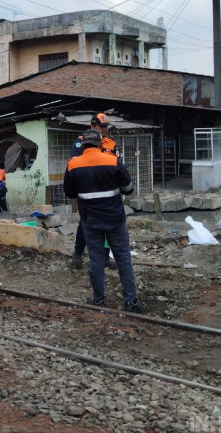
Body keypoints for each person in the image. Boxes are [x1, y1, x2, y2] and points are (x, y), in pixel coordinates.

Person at [64, 129, 141, 312]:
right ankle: (131, 302)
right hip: (115, 217)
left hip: (90, 220)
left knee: (95, 259)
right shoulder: (113, 160)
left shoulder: (73, 164)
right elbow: (128, 188)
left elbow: (70, 193)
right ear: (100, 144)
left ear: (82, 146)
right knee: (123, 257)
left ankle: (99, 300)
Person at [70, 113, 117, 270]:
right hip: (88, 190)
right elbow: (75, 164)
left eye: (106, 127)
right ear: (93, 126)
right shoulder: (81, 142)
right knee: (85, 223)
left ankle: (104, 257)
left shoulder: (111, 144)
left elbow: (116, 167)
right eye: (101, 127)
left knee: (107, 226)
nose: (104, 130)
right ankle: (78, 254)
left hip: (107, 191)